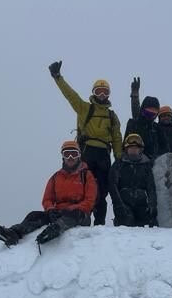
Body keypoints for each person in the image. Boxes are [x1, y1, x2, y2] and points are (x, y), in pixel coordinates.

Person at [48, 60, 122, 226]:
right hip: (87, 151)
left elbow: (117, 137)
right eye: (98, 91)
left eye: (105, 92)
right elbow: (70, 95)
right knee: (82, 188)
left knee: (101, 190)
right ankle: (81, 219)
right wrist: (58, 77)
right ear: (93, 93)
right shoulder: (84, 108)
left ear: (109, 95)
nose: (101, 95)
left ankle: (99, 224)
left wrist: (119, 157)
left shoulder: (112, 116)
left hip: (103, 154)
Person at [0, 140, 97, 246]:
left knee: (75, 214)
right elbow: (47, 199)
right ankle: (13, 233)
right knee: (34, 215)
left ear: (79, 156)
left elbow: (90, 201)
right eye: (67, 154)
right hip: (58, 213)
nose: (70, 157)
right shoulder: (56, 177)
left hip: (79, 215)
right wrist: (50, 209)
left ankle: (55, 229)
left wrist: (70, 209)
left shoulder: (87, 176)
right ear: (63, 157)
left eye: (74, 154)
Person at [109, 133, 158, 227]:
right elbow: (112, 185)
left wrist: (153, 207)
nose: (133, 151)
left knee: (148, 226)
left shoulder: (146, 165)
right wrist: (118, 204)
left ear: (140, 150)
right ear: (126, 149)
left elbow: (151, 188)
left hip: (141, 204)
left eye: (136, 149)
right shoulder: (119, 164)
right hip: (124, 203)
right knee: (127, 222)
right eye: (131, 148)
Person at [124, 77, 164, 159]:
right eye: (147, 112)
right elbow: (136, 113)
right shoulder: (134, 123)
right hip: (132, 161)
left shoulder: (157, 129)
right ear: (142, 111)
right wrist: (135, 96)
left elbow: (165, 148)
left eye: (153, 113)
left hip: (152, 164)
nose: (149, 116)